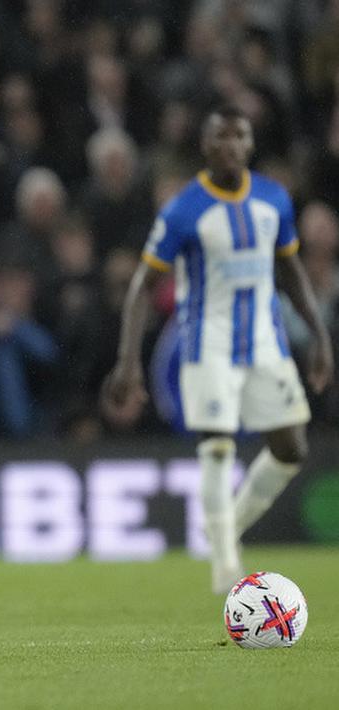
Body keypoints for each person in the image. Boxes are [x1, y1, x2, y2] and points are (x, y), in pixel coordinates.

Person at [103, 105, 334, 595]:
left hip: (266, 342)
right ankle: (226, 564)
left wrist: (319, 336)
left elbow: (290, 270)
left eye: (239, 137)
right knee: (217, 448)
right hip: (207, 343)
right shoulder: (184, 209)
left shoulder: (274, 199)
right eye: (220, 138)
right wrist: (128, 362)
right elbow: (144, 284)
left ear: (250, 144)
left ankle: (224, 525)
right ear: (205, 146)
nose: (230, 146)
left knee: (291, 448)